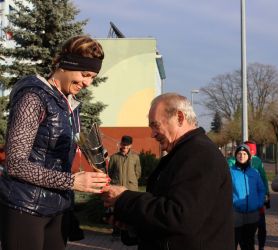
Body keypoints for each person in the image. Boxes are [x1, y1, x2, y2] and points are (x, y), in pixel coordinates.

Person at [0, 35, 110, 250]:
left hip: (56, 207)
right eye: (85, 74)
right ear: (66, 66)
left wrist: (95, 155)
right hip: (25, 206)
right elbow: (15, 164)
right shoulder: (33, 97)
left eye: (93, 77)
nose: (88, 82)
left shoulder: (68, 103)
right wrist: (71, 182)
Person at [101, 93, 234, 250]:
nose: (152, 134)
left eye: (156, 125)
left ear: (179, 117)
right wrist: (134, 225)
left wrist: (124, 198)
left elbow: (180, 216)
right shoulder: (184, 152)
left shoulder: (200, 154)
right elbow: (169, 216)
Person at [230, 144, 265, 250]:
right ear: (236, 156)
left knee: (249, 243)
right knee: (233, 242)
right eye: (239, 154)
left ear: (249, 156)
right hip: (236, 213)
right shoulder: (229, 171)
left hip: (252, 214)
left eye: (245, 154)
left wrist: (258, 203)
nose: (242, 156)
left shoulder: (255, 172)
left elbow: (261, 189)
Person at [108, 135, 141, 238]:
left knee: (131, 210)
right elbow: (110, 173)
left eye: (126, 145)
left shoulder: (135, 157)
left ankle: (130, 232)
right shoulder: (114, 157)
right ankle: (116, 231)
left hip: (131, 188)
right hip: (117, 188)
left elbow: (138, 172)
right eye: (123, 144)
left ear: (130, 145)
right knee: (117, 210)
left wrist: (132, 181)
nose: (124, 147)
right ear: (120, 143)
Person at [244, 140, 270, 250]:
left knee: (261, 226)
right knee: (248, 228)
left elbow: (263, 178)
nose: (252, 156)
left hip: (258, 201)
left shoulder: (257, 162)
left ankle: (261, 246)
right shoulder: (234, 162)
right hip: (244, 202)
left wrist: (267, 195)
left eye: (253, 153)